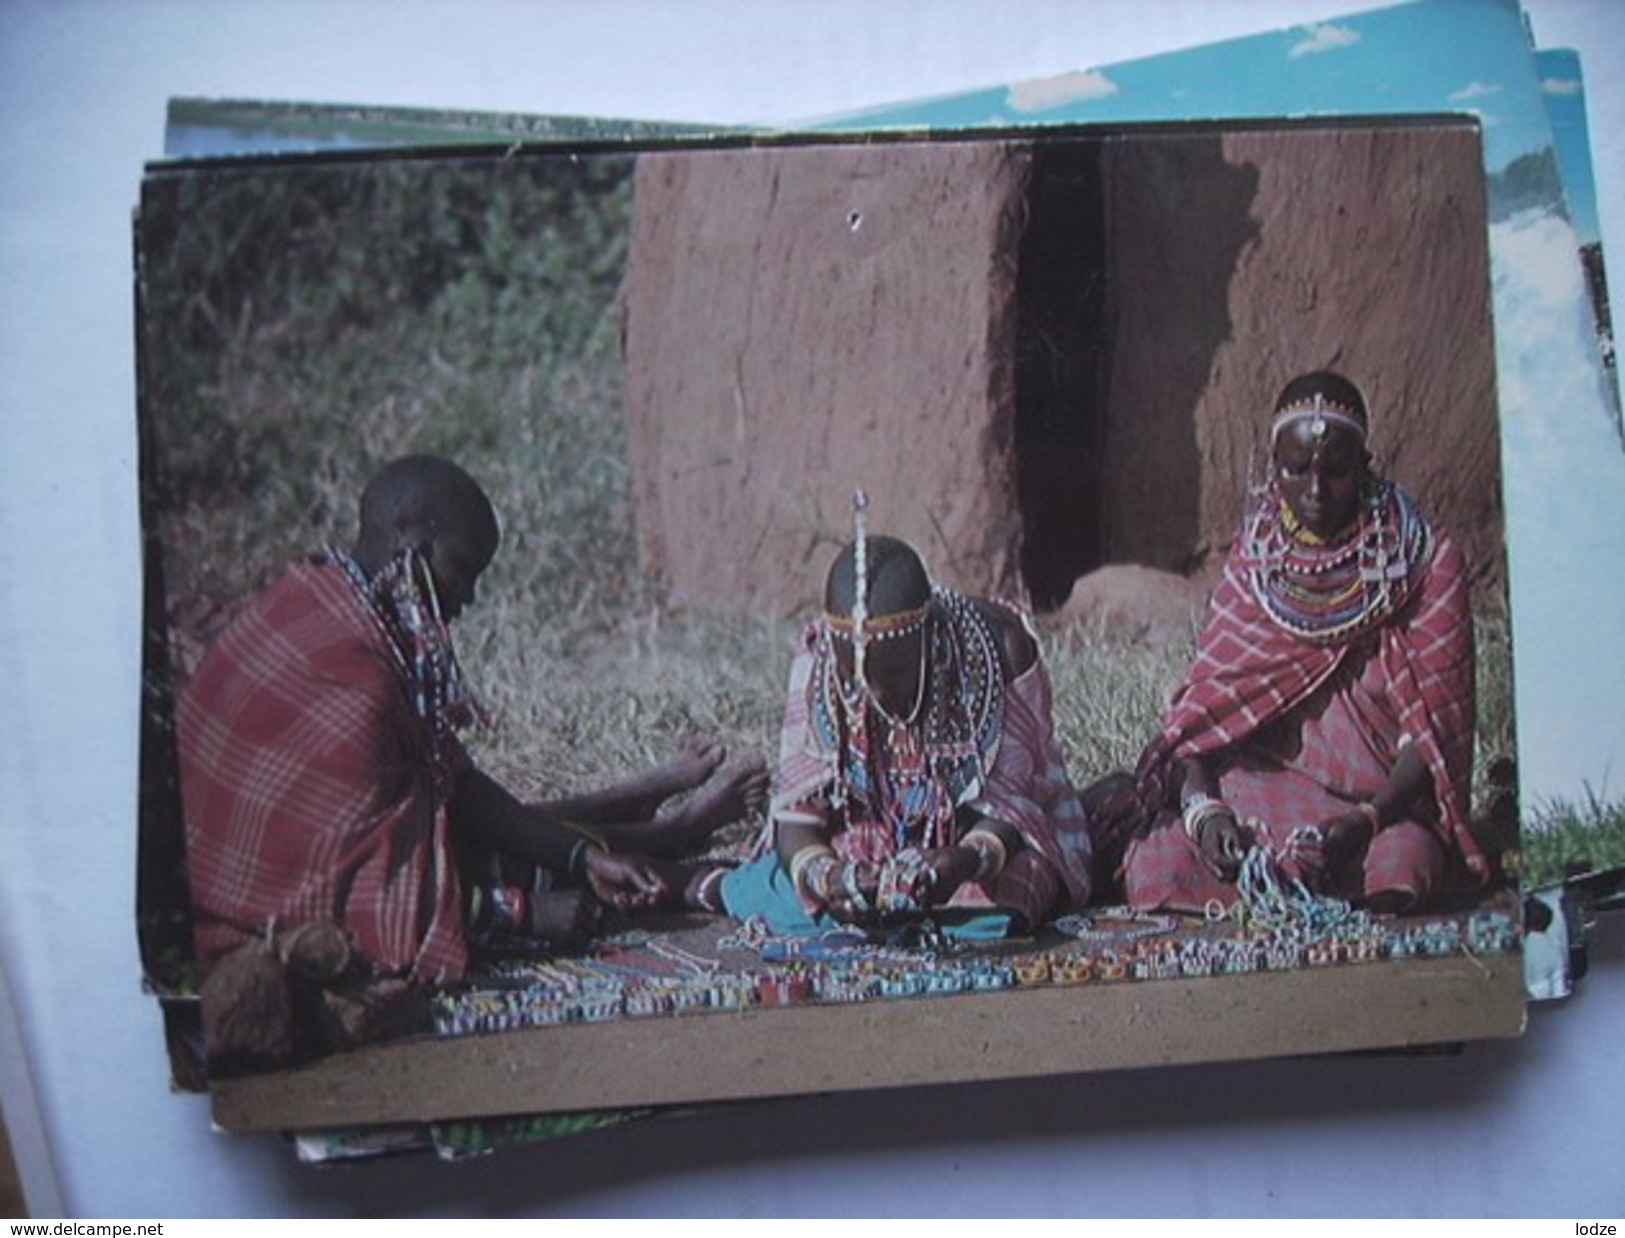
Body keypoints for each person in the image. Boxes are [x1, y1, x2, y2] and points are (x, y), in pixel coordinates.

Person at [178, 454, 768, 996]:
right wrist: (521, 912)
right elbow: (348, 902)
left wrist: (579, 860)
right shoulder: (350, 678)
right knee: (473, 857)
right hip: (241, 906)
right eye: (463, 571)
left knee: (477, 831)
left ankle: (656, 828)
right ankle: (668, 840)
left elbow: (452, 786)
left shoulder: (334, 601)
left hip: (316, 859)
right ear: (410, 540)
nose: (469, 597)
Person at [1109, 372, 1490, 915]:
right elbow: (1202, 721)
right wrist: (1206, 814)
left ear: (1365, 465)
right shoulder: (1255, 563)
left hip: (1376, 803)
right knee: (1155, 867)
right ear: (1272, 469)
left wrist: (1367, 821)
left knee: (1405, 867)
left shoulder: (1425, 562)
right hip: (1264, 792)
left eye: (1335, 471)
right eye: (1295, 469)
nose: (1314, 490)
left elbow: (1432, 739)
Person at [718, 520, 1094, 938]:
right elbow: (797, 819)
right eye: (854, 675)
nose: (875, 693)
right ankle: (723, 890)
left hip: (974, 856)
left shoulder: (999, 649)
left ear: (932, 634)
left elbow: (1017, 807)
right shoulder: (817, 664)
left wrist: (967, 860)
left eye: (894, 670)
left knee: (1008, 903)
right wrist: (832, 879)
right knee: (784, 891)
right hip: (860, 849)